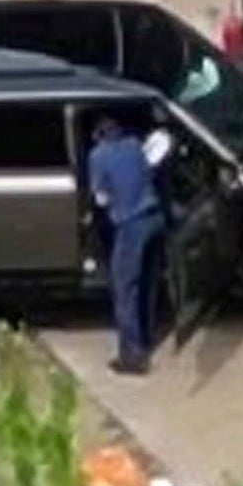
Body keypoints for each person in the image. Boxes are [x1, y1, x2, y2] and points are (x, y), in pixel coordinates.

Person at [87, 116, 165, 375]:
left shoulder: (97, 156)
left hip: (130, 225)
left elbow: (100, 199)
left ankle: (132, 356)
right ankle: (147, 336)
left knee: (125, 289)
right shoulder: (134, 144)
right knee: (146, 284)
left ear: (98, 135)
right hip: (154, 218)